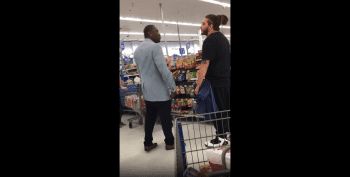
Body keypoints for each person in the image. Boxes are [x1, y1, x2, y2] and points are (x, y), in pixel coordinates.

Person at [133, 25, 176, 152]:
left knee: (150, 119)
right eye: (157, 32)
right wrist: (173, 86)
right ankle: (169, 143)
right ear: (150, 33)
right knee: (165, 118)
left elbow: (141, 72)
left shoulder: (137, 50)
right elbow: (163, 69)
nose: (159, 34)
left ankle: (147, 143)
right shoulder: (155, 47)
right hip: (160, 91)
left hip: (147, 92)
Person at [195, 14, 231, 147]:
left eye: (203, 24)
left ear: (210, 26)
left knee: (217, 111)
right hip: (226, 81)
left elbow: (204, 64)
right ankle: (226, 135)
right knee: (225, 110)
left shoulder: (209, 41)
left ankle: (220, 138)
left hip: (215, 83)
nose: (201, 26)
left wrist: (198, 85)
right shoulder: (224, 39)